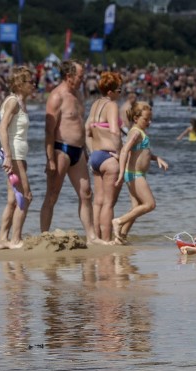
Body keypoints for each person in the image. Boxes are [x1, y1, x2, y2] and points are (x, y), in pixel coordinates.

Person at [41, 60, 102, 244]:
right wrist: (50, 159)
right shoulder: (56, 97)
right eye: (80, 77)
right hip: (61, 150)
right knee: (52, 195)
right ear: (69, 76)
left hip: (78, 151)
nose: (83, 80)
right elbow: (49, 131)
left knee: (86, 194)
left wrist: (85, 148)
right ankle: (44, 235)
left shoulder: (78, 94)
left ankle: (91, 236)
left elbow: (79, 125)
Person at [112, 102, 169, 243]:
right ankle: (119, 221)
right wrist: (120, 174)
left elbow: (143, 152)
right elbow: (125, 150)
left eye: (150, 119)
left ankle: (121, 237)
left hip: (138, 174)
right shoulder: (136, 132)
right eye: (145, 119)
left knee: (136, 208)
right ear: (136, 118)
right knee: (150, 204)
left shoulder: (141, 132)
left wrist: (157, 158)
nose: (149, 122)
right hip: (134, 174)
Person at [0, 66, 35, 250]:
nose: (33, 85)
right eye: (30, 82)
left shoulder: (20, 101)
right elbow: (2, 128)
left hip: (20, 156)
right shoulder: (13, 102)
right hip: (15, 156)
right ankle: (16, 239)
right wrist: (8, 157)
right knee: (26, 196)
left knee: (13, 200)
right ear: (19, 84)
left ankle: (2, 239)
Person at [85, 71, 124, 243]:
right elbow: (115, 131)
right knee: (108, 203)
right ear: (110, 92)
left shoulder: (95, 104)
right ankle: (107, 240)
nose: (120, 93)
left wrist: (91, 150)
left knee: (98, 202)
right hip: (109, 157)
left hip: (95, 156)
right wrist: (120, 153)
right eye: (119, 90)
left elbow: (86, 130)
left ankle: (96, 237)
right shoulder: (112, 106)